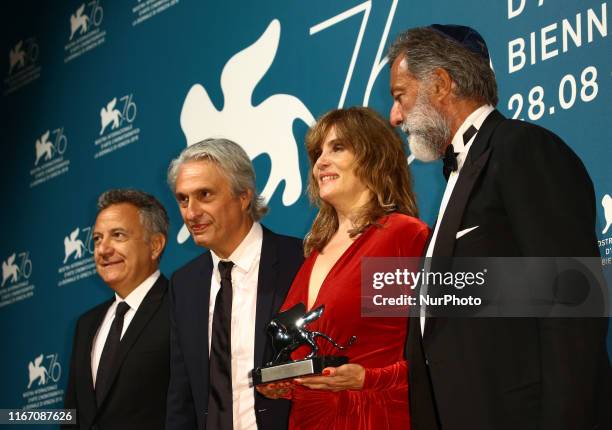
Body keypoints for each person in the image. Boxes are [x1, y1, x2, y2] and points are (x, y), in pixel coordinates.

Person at [387, 24, 610, 430]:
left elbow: (573, 309)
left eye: (400, 96)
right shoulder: (457, 176)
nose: (395, 115)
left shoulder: (523, 149)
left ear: (440, 83)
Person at [258, 107, 430, 429]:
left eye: (337, 148)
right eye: (317, 152)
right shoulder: (312, 255)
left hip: (374, 418)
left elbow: (441, 350)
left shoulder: (398, 236)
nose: (320, 162)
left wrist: (369, 378)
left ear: (373, 156)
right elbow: (316, 360)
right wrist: (284, 383)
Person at [165, 138, 304, 430]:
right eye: (183, 199)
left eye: (204, 195)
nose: (191, 213)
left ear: (243, 196)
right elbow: (182, 395)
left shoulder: (300, 260)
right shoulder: (184, 284)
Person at [63, 189, 170, 430]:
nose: (103, 250)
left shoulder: (181, 306)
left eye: (118, 235)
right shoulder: (86, 324)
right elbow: (73, 415)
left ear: (155, 245)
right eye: (98, 239)